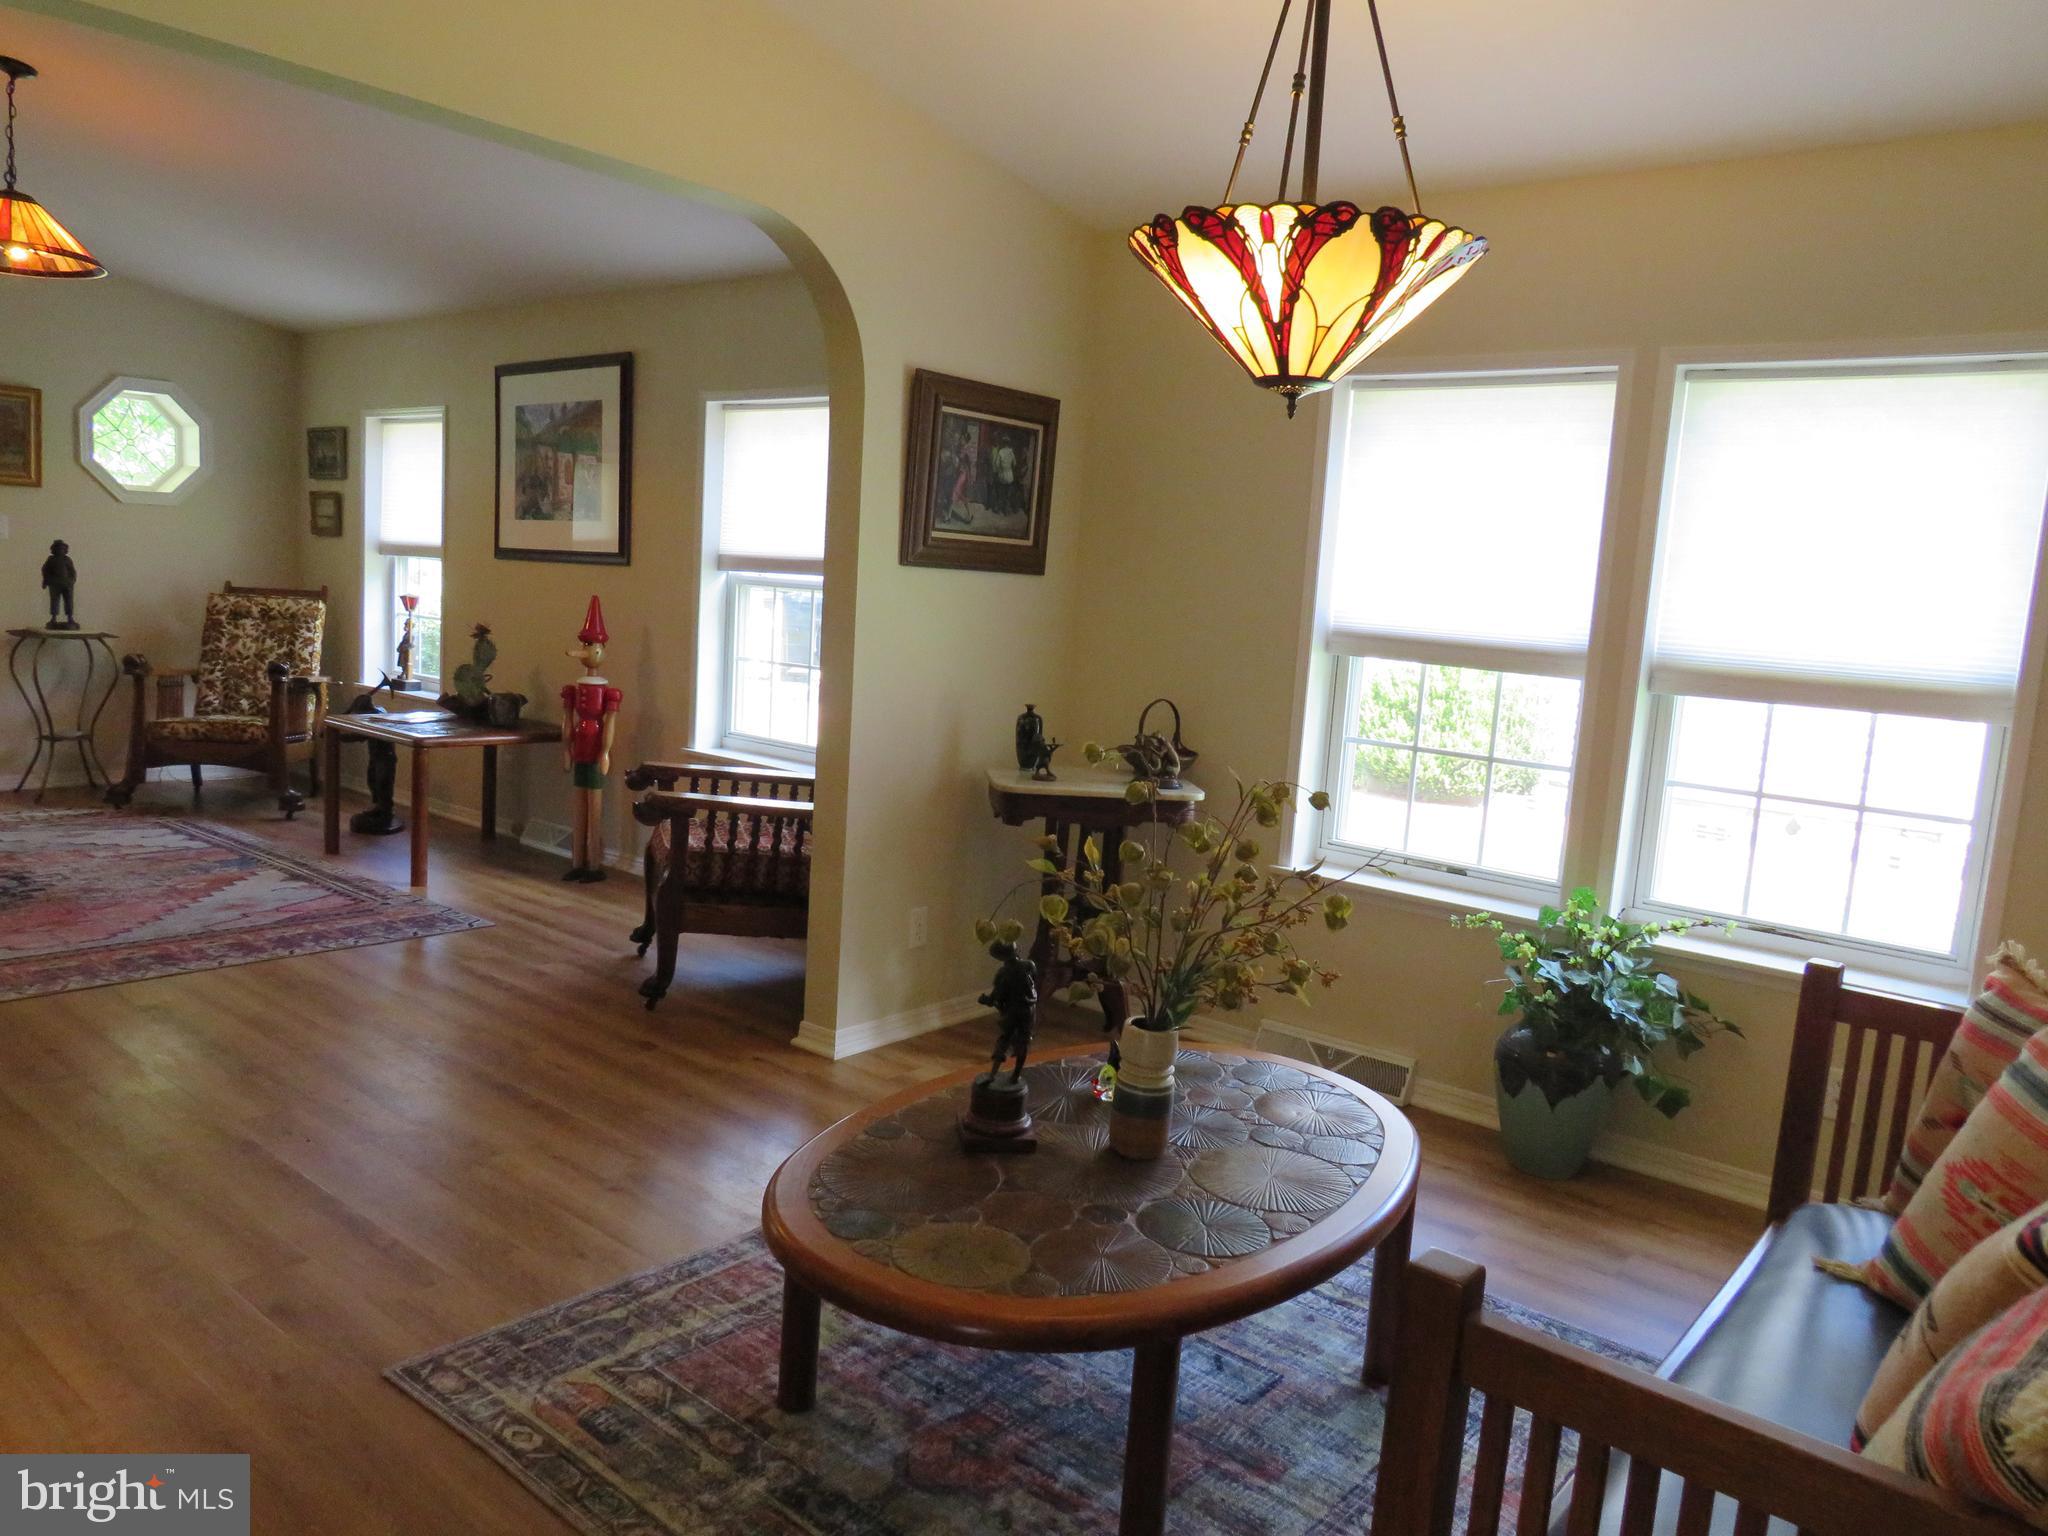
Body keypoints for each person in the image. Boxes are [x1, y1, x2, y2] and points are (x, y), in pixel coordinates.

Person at [560, 597, 623, 882]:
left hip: (596, 748)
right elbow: (568, 719)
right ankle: (577, 860)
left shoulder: (608, 692)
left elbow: (610, 722)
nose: (585, 651)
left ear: (601, 650)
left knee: (594, 805)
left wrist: (606, 751)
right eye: (584, 646)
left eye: (590, 646)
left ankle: (593, 863)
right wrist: (567, 747)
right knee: (578, 804)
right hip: (581, 748)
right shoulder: (575, 688)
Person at [40, 540, 76, 630]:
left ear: (65, 550)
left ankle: (70, 618)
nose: (60, 550)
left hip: (67, 584)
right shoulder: (51, 559)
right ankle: (53, 618)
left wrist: (71, 580)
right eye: (58, 548)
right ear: (54, 549)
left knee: (68, 601)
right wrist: (46, 581)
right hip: (55, 584)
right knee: (54, 601)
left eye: (62, 548)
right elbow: (45, 570)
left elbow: (72, 571)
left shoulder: (67, 559)